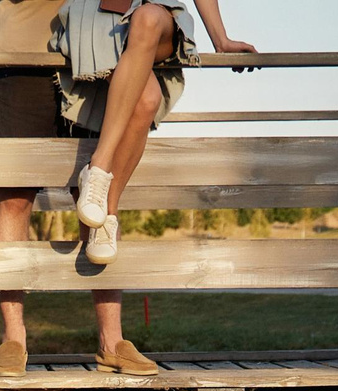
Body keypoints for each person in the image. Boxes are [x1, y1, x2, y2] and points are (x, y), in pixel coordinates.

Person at [0, 0, 139, 377]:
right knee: (15, 195)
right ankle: (13, 338)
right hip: (22, 53)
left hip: (97, 52)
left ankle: (112, 340)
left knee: (96, 191)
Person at [60, 0, 254, 278]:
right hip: (98, 15)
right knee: (147, 99)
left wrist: (220, 39)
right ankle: (107, 215)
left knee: (148, 18)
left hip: (154, 11)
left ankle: (98, 169)